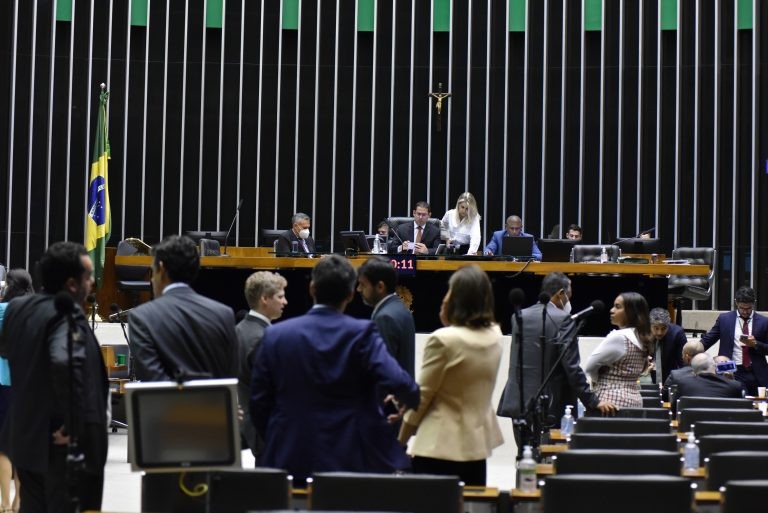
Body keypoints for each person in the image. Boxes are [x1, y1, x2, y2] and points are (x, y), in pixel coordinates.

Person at [250, 255, 419, 484]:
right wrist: (406, 402)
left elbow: (259, 403)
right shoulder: (363, 334)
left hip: (291, 454)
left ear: (312, 289)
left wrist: (282, 432)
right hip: (350, 456)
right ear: (350, 295)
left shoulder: (276, 335)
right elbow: (402, 384)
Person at [0, 242, 108, 512]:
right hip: (63, 452)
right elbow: (63, 361)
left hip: (25, 441)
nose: (93, 282)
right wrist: (73, 422)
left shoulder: (17, 311)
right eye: (89, 277)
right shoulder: (65, 315)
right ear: (72, 284)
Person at [398, 265, 503, 486]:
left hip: (438, 449)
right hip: (476, 448)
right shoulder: (494, 336)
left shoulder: (444, 340)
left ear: (458, 299)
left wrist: (401, 440)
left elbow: (422, 398)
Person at [497, 272, 615, 446]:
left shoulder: (519, 317)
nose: (569, 301)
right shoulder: (564, 320)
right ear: (561, 293)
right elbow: (571, 367)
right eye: (569, 296)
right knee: (548, 461)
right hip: (550, 404)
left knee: (525, 459)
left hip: (518, 401)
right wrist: (592, 401)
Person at [128, 235, 239, 381]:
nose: (152, 279)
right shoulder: (224, 314)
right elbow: (230, 375)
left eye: (152, 271)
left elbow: (152, 380)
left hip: (166, 403)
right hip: (214, 402)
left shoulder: (142, 317)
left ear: (161, 269)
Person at [236, 271, 287, 462]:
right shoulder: (264, 338)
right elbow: (270, 393)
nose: (285, 302)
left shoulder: (239, 328)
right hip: (264, 431)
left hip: (247, 426)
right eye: (280, 297)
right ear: (264, 299)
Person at [0, 270, 34, 513]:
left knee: (3, 447)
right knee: (23, 445)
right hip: (28, 384)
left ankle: (3, 501)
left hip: (2, 382)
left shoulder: (1, 310)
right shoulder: (35, 310)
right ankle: (19, 500)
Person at [585, 292, 654, 408]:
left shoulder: (619, 337)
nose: (611, 310)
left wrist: (598, 378)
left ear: (631, 312)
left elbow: (589, 366)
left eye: (618, 307)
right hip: (635, 400)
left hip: (610, 402)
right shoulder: (641, 337)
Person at [700, 286, 768, 396]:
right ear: (736, 303)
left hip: (757, 372)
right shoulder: (724, 319)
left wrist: (756, 344)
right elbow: (707, 340)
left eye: (748, 308)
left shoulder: (764, 322)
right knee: (739, 403)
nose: (745, 312)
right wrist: (694, 351)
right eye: (742, 308)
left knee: (760, 405)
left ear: (754, 303)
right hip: (731, 370)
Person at [357, 257, 416, 377]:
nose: (358, 289)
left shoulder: (385, 318)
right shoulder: (401, 308)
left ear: (380, 287)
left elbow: (383, 372)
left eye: (363, 284)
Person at [675, 353, 744, 399]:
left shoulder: (683, 384)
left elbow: (675, 409)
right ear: (714, 367)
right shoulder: (735, 385)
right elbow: (740, 408)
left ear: (693, 370)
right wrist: (731, 381)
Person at [648, 307, 687, 384]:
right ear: (649, 325)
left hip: (670, 377)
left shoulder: (677, 334)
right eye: (656, 328)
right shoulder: (642, 333)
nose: (659, 332)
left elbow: (683, 363)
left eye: (663, 328)